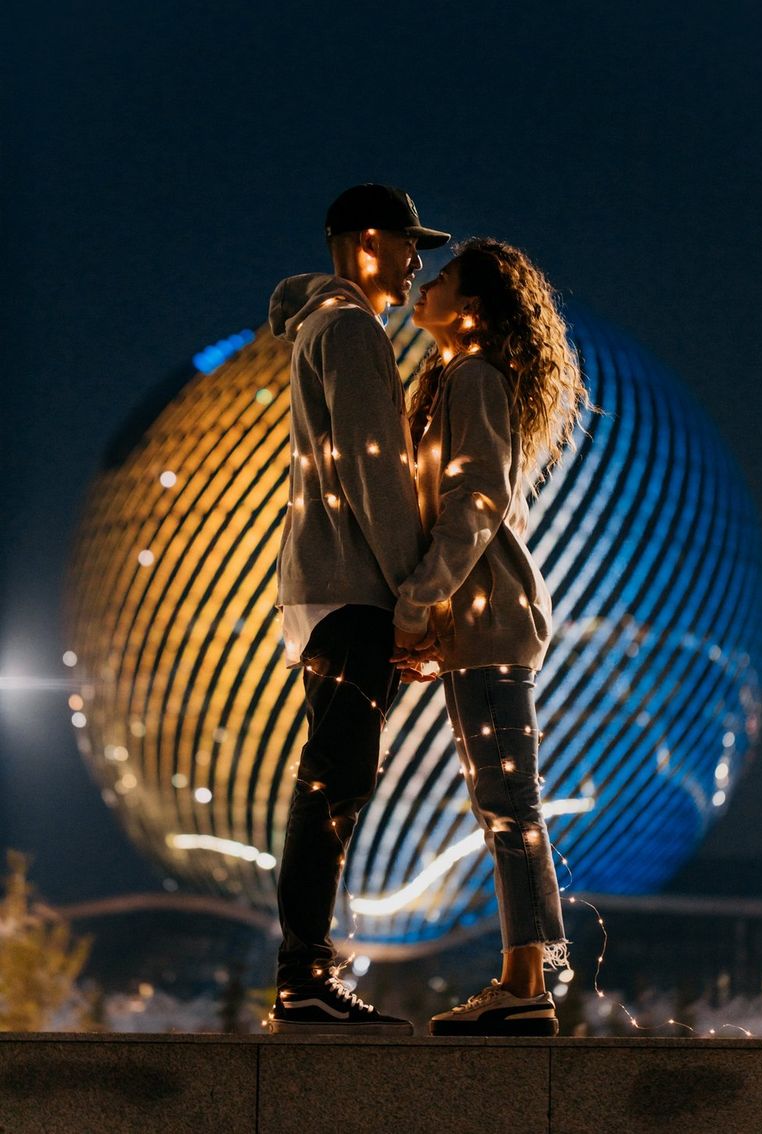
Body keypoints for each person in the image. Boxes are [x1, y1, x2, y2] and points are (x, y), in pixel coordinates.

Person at [393, 238, 590, 1036]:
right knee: (502, 799)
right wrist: (437, 620)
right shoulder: (450, 380)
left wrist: (416, 605)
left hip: (493, 618)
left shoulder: (472, 377)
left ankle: (525, 986)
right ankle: (525, 980)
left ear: (471, 307)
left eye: (438, 278)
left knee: (508, 800)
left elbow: (473, 504)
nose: (423, 284)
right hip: (477, 622)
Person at [266, 184, 449, 1034]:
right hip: (353, 585)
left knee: (336, 774)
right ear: (367, 242)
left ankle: (304, 966)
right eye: (410, 245)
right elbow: (378, 475)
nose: (419, 264)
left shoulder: (321, 326)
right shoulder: (351, 330)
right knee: (334, 778)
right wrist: (417, 595)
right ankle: (304, 973)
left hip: (323, 585)